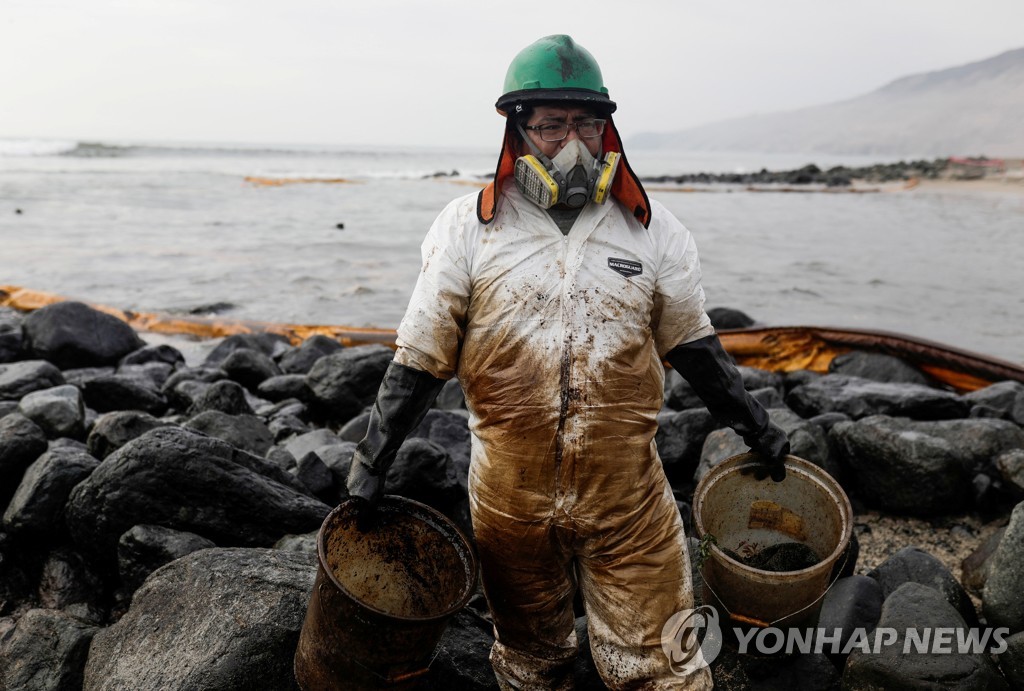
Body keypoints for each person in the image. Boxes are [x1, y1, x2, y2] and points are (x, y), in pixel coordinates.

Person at [347, 34, 789, 690]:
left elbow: (695, 347)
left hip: (627, 501)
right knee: (531, 661)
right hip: (508, 500)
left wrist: (757, 426)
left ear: (609, 128)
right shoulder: (468, 229)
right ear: (517, 131)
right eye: (551, 125)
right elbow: (419, 357)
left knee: (664, 667)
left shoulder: (653, 231)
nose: (572, 143)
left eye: (587, 123)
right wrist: (370, 462)